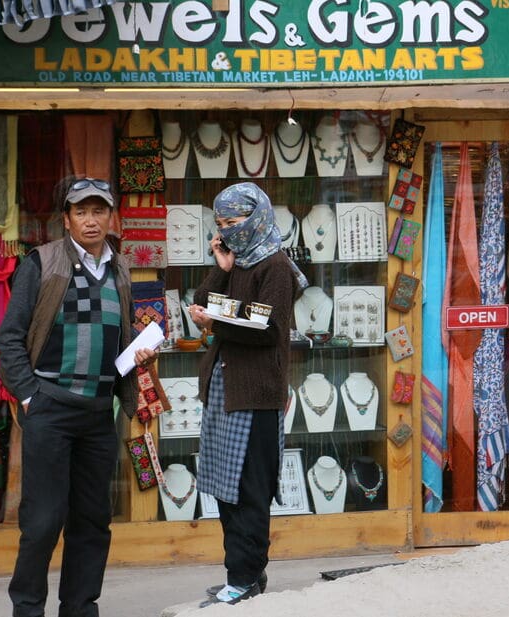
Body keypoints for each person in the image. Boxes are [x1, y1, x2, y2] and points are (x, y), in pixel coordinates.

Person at [0, 176, 158, 617]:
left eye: (99, 211)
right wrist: (29, 396)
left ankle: (80, 608)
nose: (91, 220)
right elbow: (9, 337)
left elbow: (120, 336)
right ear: (66, 219)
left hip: (97, 414)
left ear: (111, 216)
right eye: (81, 212)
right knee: (43, 522)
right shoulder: (42, 263)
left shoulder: (121, 269)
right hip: (50, 408)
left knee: (92, 521)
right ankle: (28, 610)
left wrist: (137, 354)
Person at [189, 182, 306, 607]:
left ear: (255, 219)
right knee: (225, 488)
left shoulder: (274, 265)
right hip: (225, 389)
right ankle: (241, 576)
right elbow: (204, 302)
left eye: (234, 223)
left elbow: (270, 327)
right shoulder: (239, 260)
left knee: (249, 489)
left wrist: (215, 322)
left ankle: (245, 577)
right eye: (220, 225)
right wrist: (221, 266)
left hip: (255, 393)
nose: (228, 231)